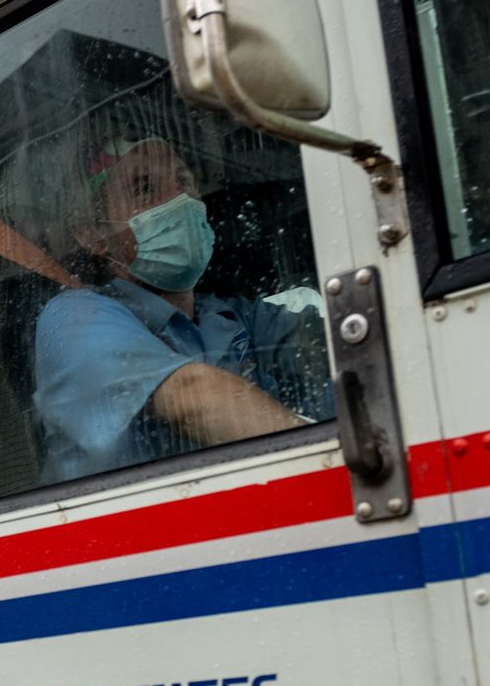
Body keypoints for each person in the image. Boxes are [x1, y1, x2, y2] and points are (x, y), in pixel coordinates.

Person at [32, 137, 329, 484]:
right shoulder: (73, 318)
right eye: (144, 188)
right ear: (94, 233)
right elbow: (190, 400)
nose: (179, 199)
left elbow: (336, 351)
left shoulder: (237, 317)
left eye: (184, 182)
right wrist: (325, 461)